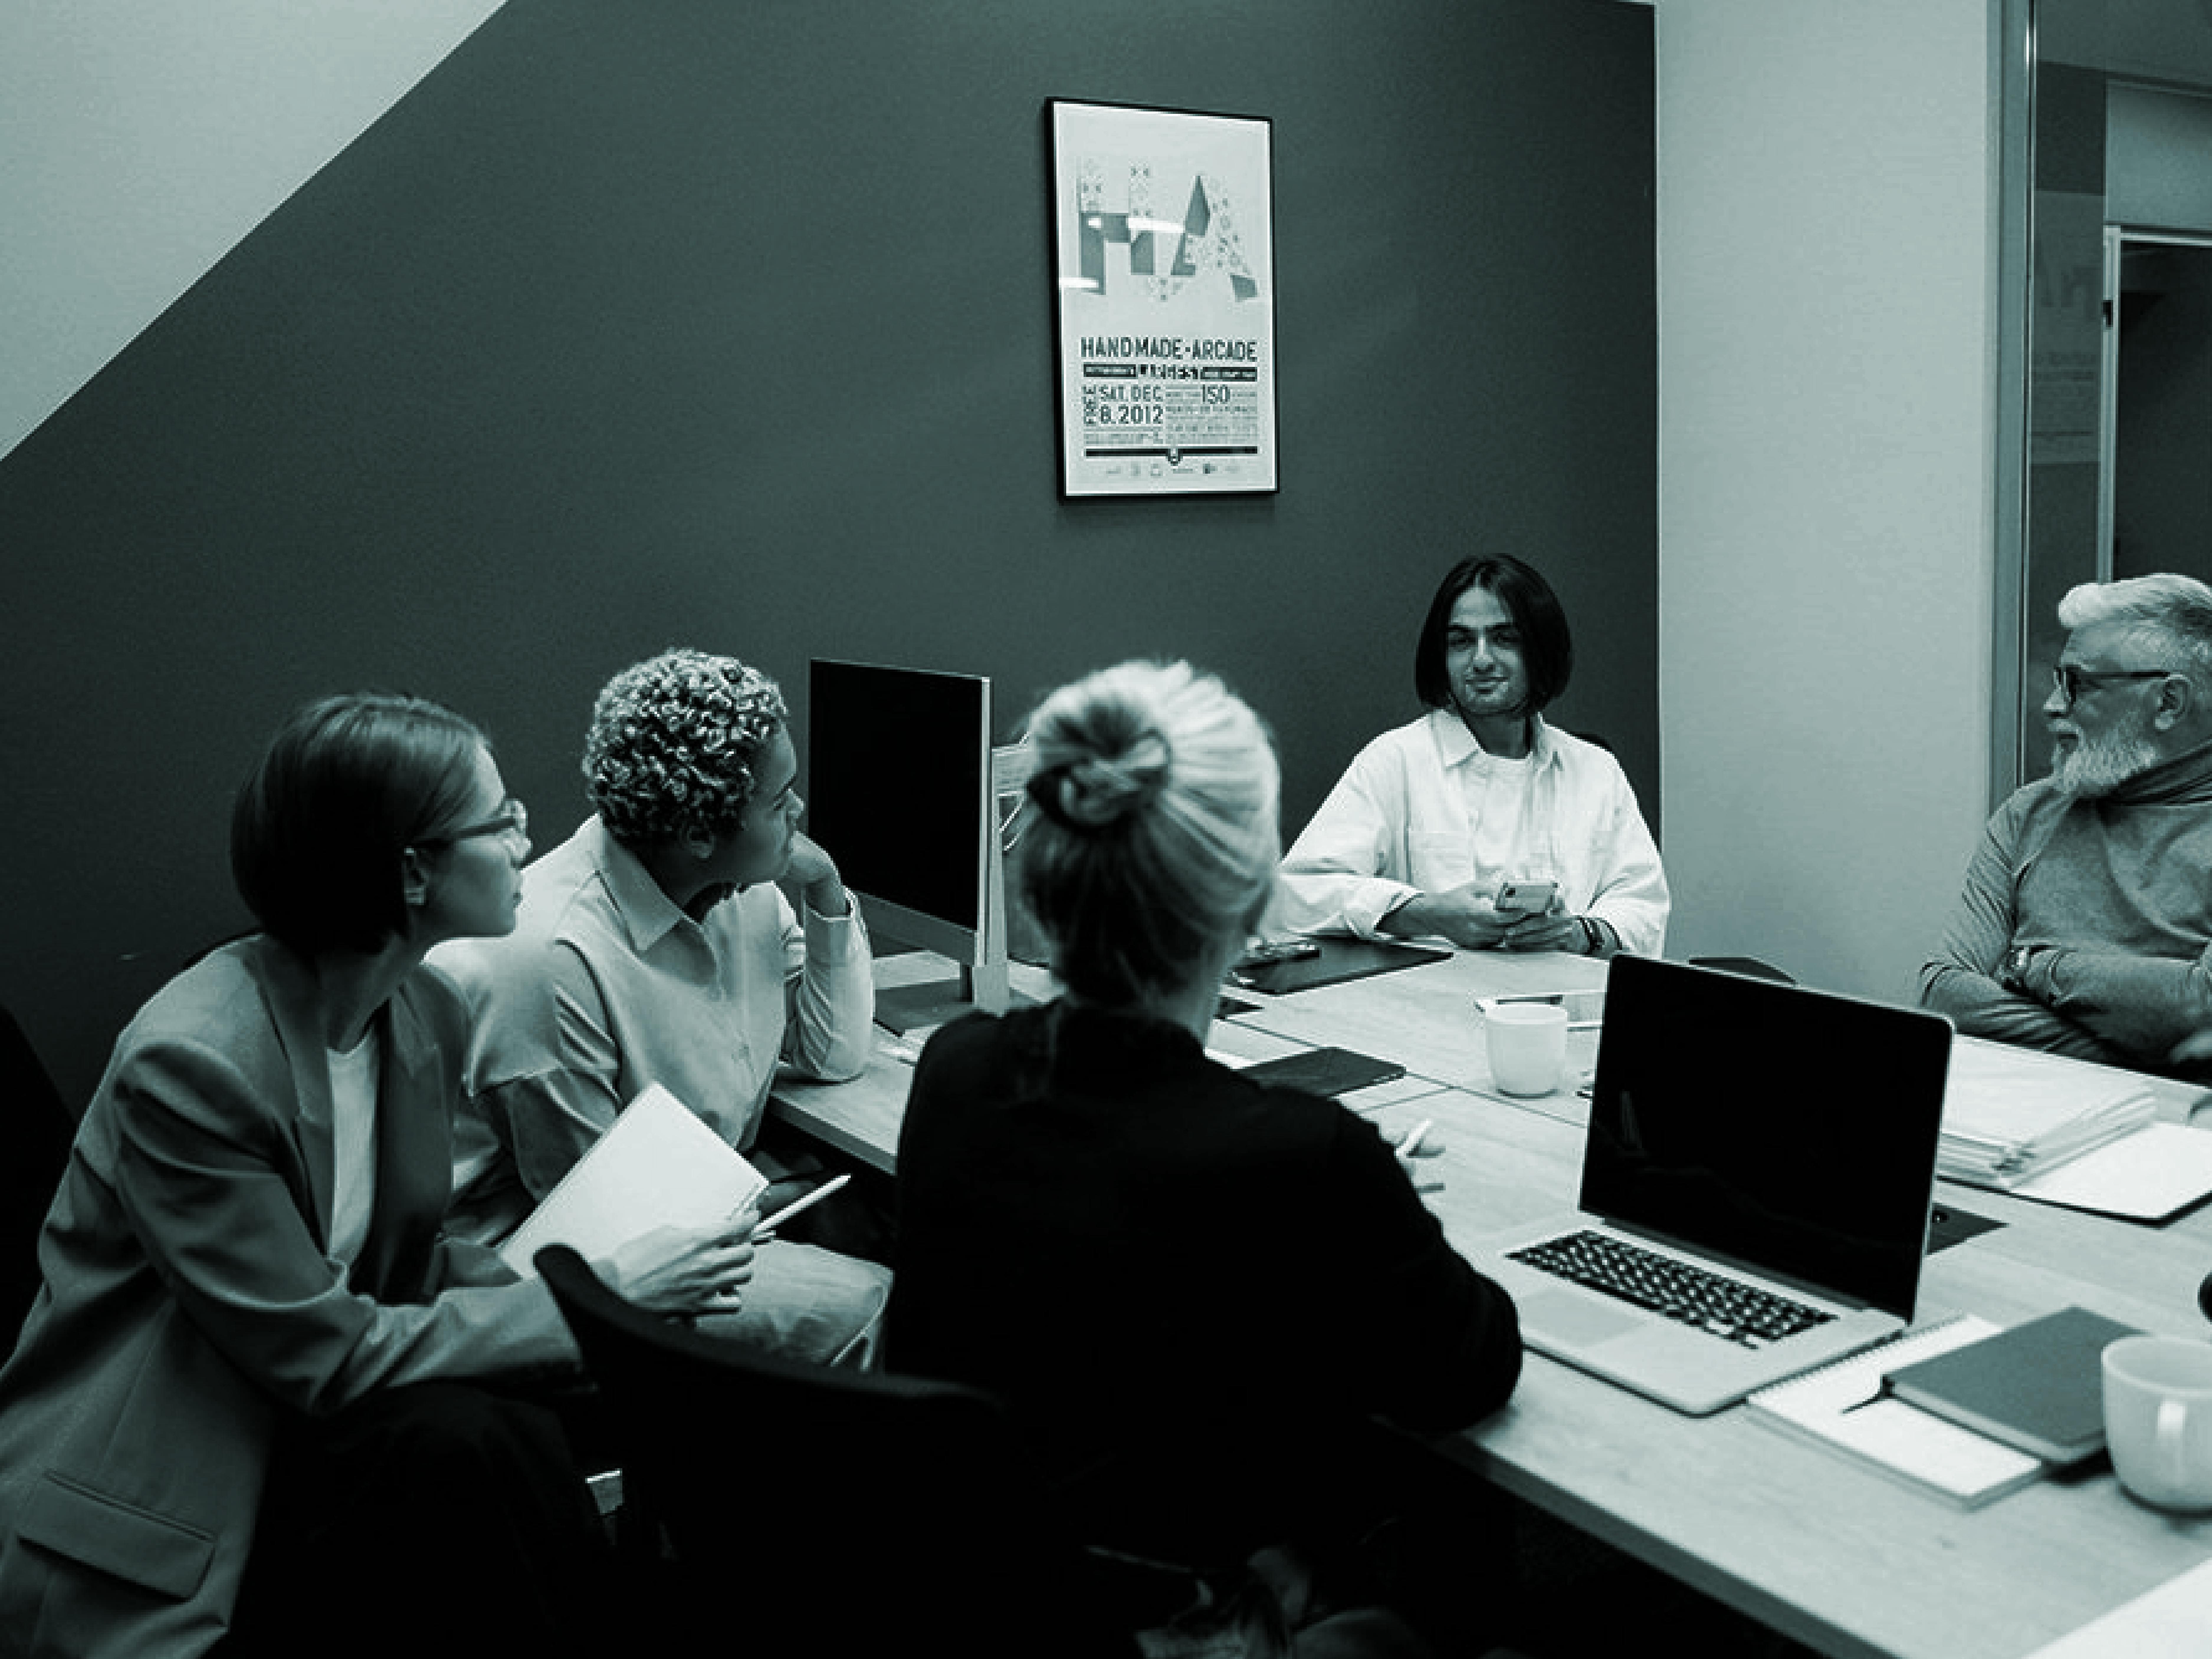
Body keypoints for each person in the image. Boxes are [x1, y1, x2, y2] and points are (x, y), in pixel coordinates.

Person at [0, 692, 756, 1659]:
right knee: (478, 1443)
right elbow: (323, 1349)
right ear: (411, 871)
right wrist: (590, 1297)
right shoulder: (193, 1064)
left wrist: (577, 1284)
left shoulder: (408, 1012)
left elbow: (389, 1263)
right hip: (184, 1469)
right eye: (500, 818)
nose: (528, 833)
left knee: (531, 1426)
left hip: (306, 1424)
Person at [886, 660, 1522, 1644]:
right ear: (1251, 894)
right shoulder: (1304, 1159)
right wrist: (1370, 1202)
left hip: (985, 1600)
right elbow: (1472, 1367)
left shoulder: (957, 1065)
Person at [434, 648, 888, 1365]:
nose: (799, 810)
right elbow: (600, 1228)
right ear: (700, 834)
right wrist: (764, 1205)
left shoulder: (744, 891)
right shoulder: (549, 958)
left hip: (698, 1212)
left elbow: (831, 1054)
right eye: (779, 800)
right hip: (553, 1278)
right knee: (881, 1301)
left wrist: (826, 886)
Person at [1277, 555, 1668, 958]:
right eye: (1462, 641)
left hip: (1570, 1012)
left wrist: (1581, 933)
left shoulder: (1595, 771)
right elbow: (1299, 892)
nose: (1482, 660)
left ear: (1541, 649)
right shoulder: (1396, 760)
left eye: (1505, 638)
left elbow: (1643, 901)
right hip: (1432, 1010)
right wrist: (1428, 913)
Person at [1921, 574, 2212, 1078]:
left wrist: (2033, 966)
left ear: (2168, 703)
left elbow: (2201, 1006)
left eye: (2079, 684)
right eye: (2058, 681)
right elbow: (1945, 992)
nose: (2053, 706)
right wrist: (2144, 1059)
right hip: (2014, 1112)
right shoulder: (2029, 812)